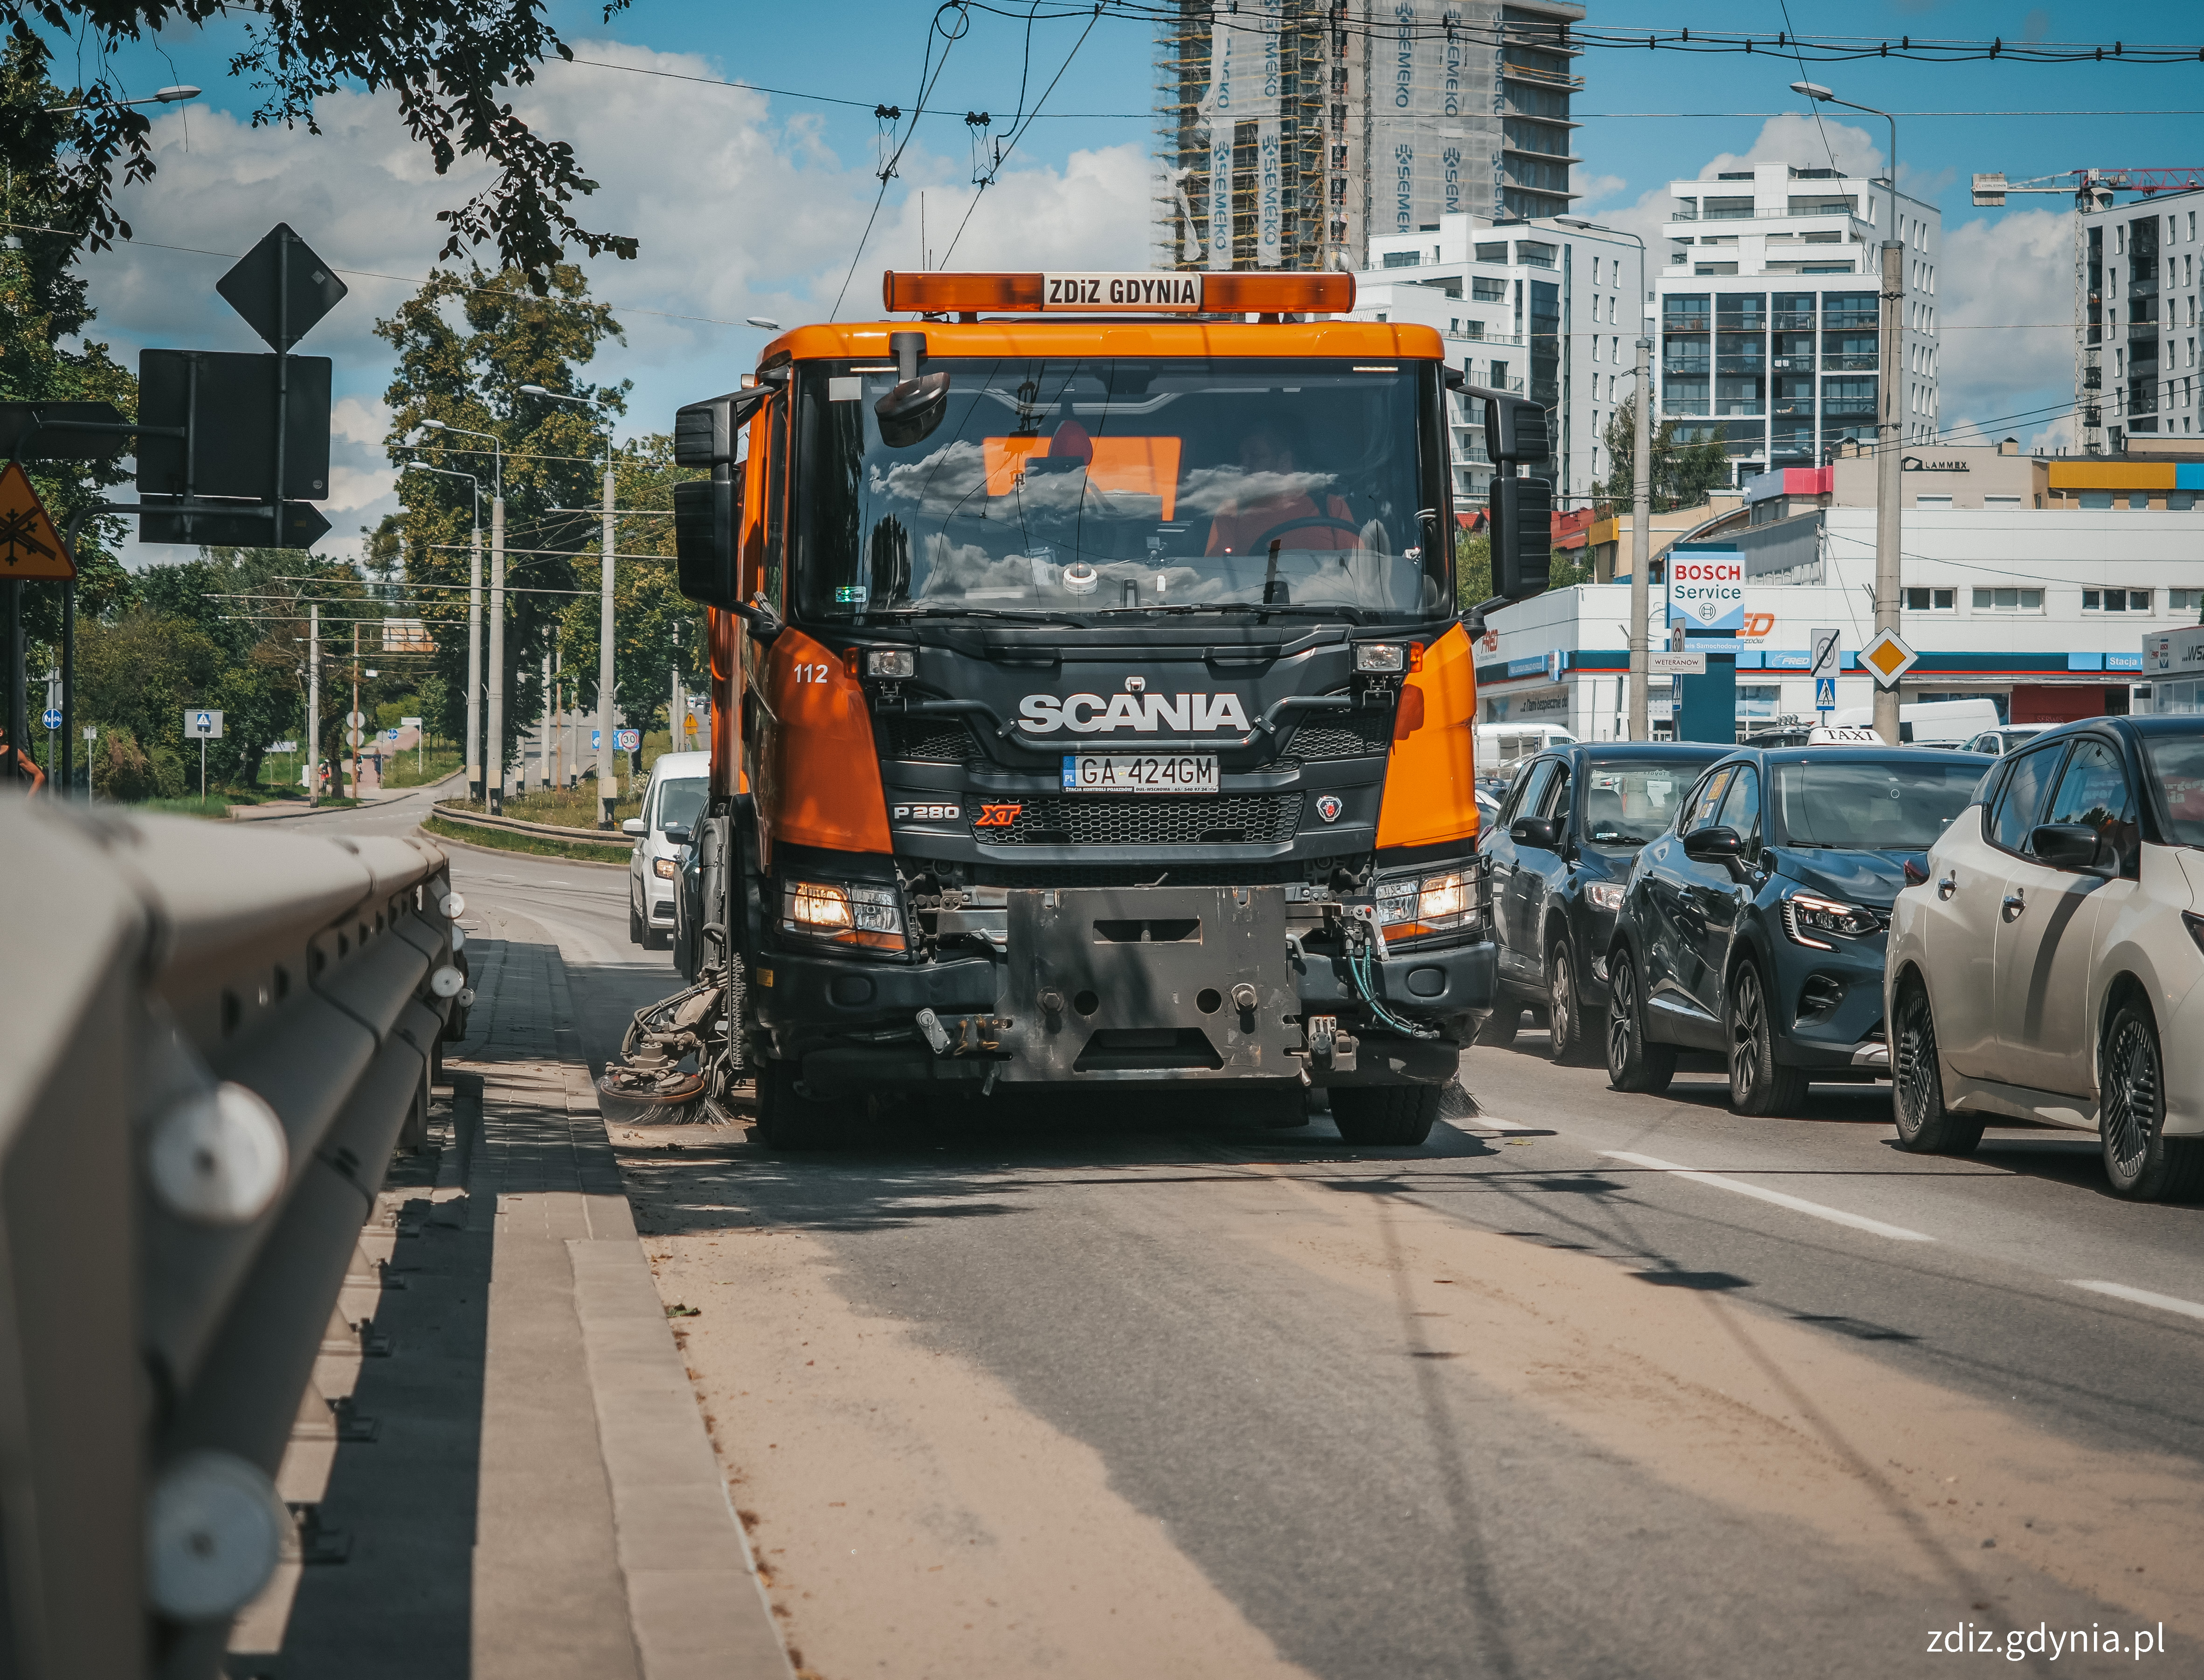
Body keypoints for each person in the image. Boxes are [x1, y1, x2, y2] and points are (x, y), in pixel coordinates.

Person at [1204, 420, 1357, 558]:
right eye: (1242, 457)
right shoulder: (1232, 510)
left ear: (1284, 462)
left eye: (1256, 457)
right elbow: (1218, 574)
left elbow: (1357, 573)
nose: (1244, 465)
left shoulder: (1331, 507)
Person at [0, 723, 47, 797]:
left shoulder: (14, 753)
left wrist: (28, 800)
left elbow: (39, 776)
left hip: (16, 804)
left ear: (1, 732)